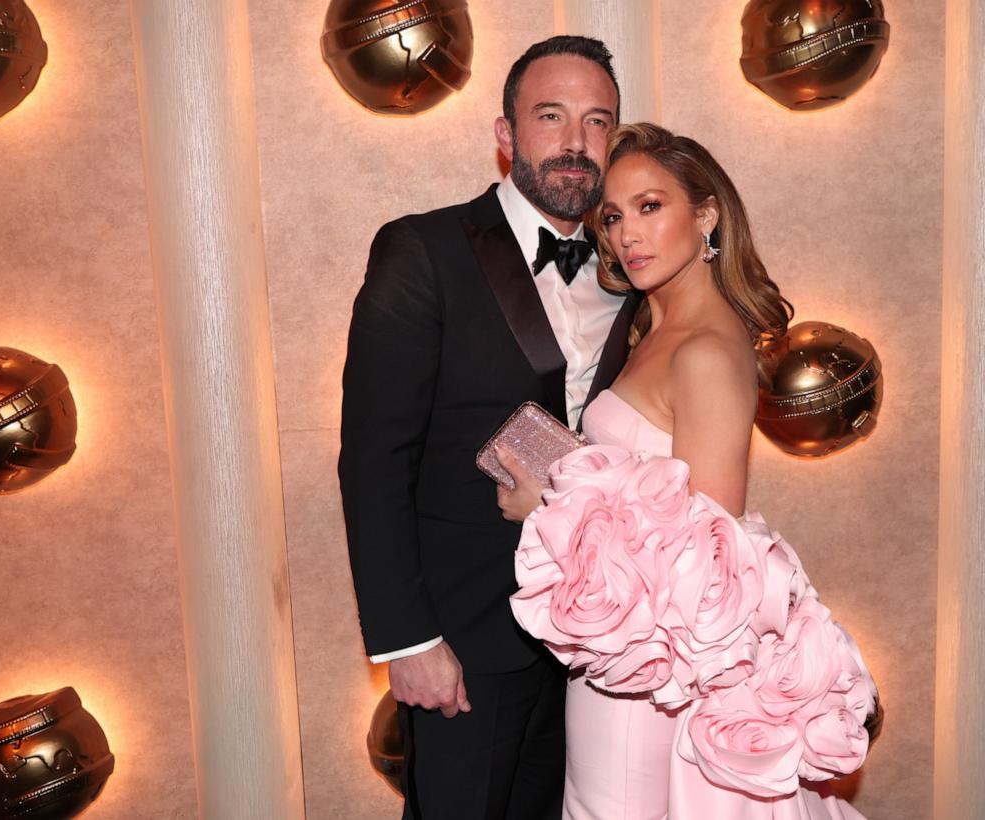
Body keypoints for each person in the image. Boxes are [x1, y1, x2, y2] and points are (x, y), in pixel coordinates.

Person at [498, 123, 871, 819]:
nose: (627, 234)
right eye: (612, 215)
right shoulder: (651, 328)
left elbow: (711, 570)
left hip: (656, 680)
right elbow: (654, 494)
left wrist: (549, 509)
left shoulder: (704, 349)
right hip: (623, 660)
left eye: (650, 206)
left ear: (706, 215)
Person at [338, 36, 641, 819]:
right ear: (506, 135)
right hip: (462, 646)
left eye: (597, 121)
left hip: (588, 654)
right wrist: (407, 643)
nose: (576, 143)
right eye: (551, 116)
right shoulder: (424, 251)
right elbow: (374, 459)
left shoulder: (634, 270)